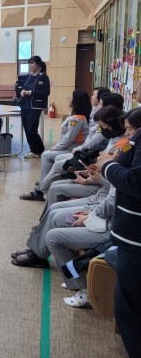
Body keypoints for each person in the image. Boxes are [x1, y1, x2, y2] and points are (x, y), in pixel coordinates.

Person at [97, 107, 141, 357]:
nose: (128, 136)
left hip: (134, 240)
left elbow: (135, 182)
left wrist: (107, 166)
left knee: (129, 307)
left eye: (131, 130)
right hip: (128, 235)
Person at [20, 89, 92, 201]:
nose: (68, 98)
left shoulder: (77, 119)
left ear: (76, 101)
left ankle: (40, 189)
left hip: (73, 149)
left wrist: (57, 147)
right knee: (47, 155)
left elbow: (68, 139)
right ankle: (44, 184)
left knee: (46, 155)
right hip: (71, 147)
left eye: (70, 97)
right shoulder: (76, 116)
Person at [19, 56, 50, 159]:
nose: (30, 65)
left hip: (35, 107)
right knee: (27, 129)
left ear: (38, 64)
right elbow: (23, 87)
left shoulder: (43, 77)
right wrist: (22, 92)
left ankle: (39, 149)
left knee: (32, 129)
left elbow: (46, 92)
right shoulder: (28, 76)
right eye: (29, 63)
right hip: (25, 106)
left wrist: (31, 92)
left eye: (32, 63)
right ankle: (33, 149)